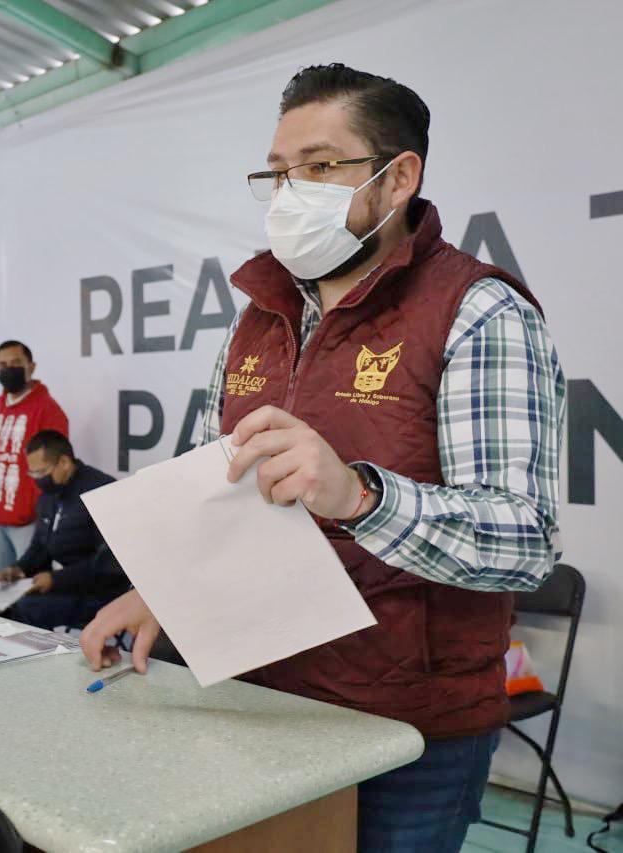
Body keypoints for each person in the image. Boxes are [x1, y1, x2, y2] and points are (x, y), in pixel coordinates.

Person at [81, 64, 564, 853]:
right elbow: (223, 491)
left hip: (407, 731)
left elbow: (525, 542)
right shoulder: (260, 317)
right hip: (260, 700)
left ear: (398, 176)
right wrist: (162, 591)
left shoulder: (477, 310)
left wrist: (361, 496)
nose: (289, 192)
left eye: (318, 166)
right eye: (276, 173)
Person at [0, 431, 128, 631]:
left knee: (28, 609)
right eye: (32, 474)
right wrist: (19, 569)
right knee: (2, 605)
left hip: (101, 591)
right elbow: (40, 546)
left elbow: (110, 562)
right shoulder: (50, 495)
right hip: (69, 585)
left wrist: (56, 579)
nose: (37, 480)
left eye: (41, 472)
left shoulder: (101, 490)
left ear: (64, 462)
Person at [0, 340, 69, 574]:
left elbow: (55, 465)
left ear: (31, 366)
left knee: (26, 590)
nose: (9, 369)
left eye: (16, 363)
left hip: (28, 520)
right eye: (2, 364)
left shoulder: (48, 409)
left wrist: (40, 509)